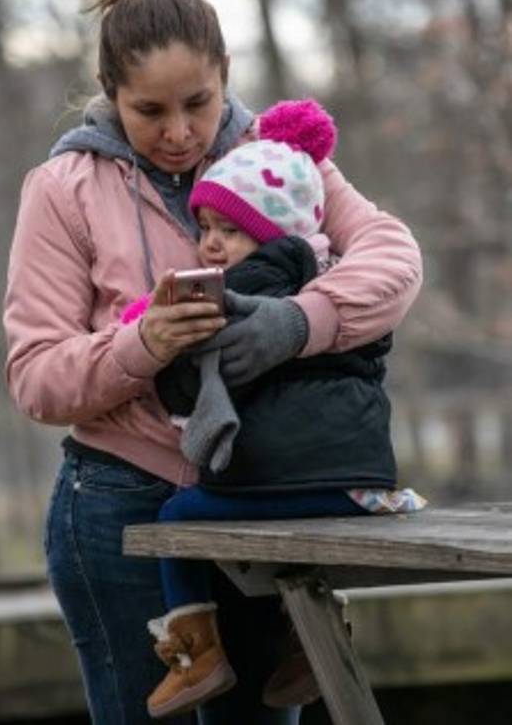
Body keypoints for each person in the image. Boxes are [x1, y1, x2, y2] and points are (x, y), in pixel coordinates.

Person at [3, 0, 423, 725]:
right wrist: (144, 345)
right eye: (149, 111)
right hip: (116, 505)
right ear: (108, 93)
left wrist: (299, 322)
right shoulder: (62, 189)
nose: (180, 133)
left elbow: (394, 260)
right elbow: (35, 377)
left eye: (198, 101)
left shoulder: (280, 158)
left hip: (262, 497)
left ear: (226, 71)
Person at [118, 98, 425, 718]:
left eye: (226, 231)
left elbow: (182, 364)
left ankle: (195, 651)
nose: (209, 245)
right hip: (362, 481)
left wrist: (141, 325)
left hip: (308, 478)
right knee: (283, 543)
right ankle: (310, 641)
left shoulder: (254, 279)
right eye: (203, 228)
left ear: (268, 231)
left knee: (177, 519)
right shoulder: (333, 277)